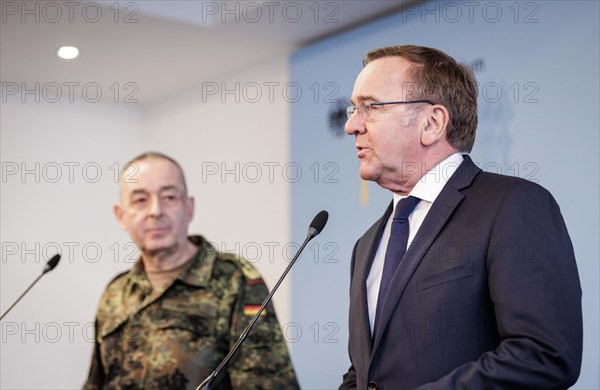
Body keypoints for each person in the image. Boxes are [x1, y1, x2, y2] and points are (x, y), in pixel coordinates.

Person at [339, 45, 582, 389]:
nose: (351, 125)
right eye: (353, 109)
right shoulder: (366, 245)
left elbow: (543, 354)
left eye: (370, 107)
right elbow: (367, 372)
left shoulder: (513, 207)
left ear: (432, 122)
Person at [84, 152, 299, 390]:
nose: (156, 210)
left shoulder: (236, 281)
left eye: (169, 197)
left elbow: (270, 384)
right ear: (121, 215)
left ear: (189, 208)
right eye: (140, 200)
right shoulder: (115, 293)